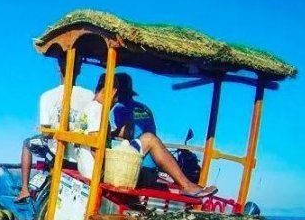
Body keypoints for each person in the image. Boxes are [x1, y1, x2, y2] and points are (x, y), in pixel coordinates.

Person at [77, 73, 217, 198]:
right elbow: (97, 148)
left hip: (87, 168)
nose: (115, 101)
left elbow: (123, 133)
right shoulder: (138, 108)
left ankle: (186, 185)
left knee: (148, 139)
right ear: (113, 92)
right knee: (150, 138)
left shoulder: (90, 109)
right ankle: (186, 185)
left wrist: (112, 134)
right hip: (104, 172)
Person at [14, 55, 94, 202]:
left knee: (27, 143)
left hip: (57, 153)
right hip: (81, 155)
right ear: (79, 70)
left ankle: (24, 189)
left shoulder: (48, 96)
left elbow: (46, 132)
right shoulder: (90, 96)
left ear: (58, 69)